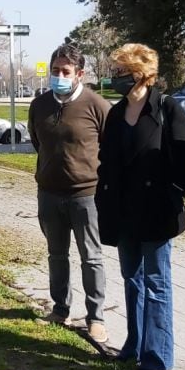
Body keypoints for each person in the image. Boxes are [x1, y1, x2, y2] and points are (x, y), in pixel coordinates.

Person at [95, 43, 185, 370]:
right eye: (114, 72)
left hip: (156, 211)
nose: (116, 78)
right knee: (132, 280)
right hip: (122, 210)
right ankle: (133, 346)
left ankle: (157, 356)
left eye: (121, 72)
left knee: (156, 282)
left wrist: (172, 192)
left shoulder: (168, 109)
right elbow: (107, 160)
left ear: (142, 73)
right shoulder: (115, 112)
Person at [28, 43, 112, 344]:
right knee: (56, 255)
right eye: (55, 71)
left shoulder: (97, 105)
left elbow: (112, 146)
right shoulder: (39, 105)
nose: (59, 76)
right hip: (49, 193)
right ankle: (61, 309)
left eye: (65, 71)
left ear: (80, 74)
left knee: (91, 257)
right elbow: (38, 142)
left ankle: (96, 317)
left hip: (85, 195)